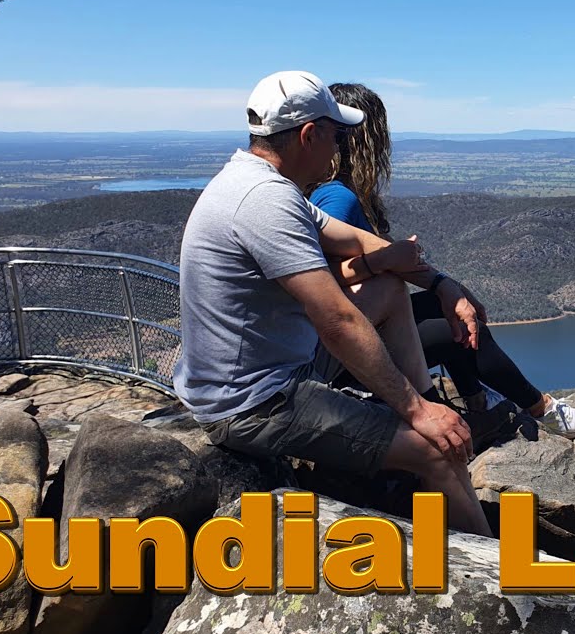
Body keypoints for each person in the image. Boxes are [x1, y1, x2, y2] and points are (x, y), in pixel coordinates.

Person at [173, 70, 492, 536]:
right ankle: (498, 574)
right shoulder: (264, 201)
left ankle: (428, 403)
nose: (338, 148)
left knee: (388, 289)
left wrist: (443, 285)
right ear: (309, 135)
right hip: (254, 403)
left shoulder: (259, 182)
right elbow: (337, 321)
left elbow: (360, 243)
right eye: (336, 136)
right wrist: (417, 415)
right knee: (438, 452)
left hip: (276, 369)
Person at [310, 83, 575, 439]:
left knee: (446, 310)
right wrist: (384, 264)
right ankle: (543, 410)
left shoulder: (339, 193)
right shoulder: (337, 198)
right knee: (457, 329)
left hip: (352, 334)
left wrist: (448, 287)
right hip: (342, 355)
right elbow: (313, 280)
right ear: (367, 138)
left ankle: (478, 402)